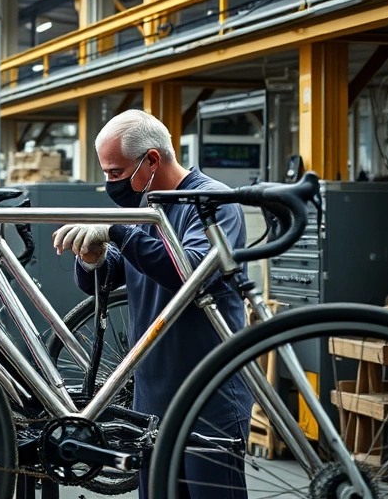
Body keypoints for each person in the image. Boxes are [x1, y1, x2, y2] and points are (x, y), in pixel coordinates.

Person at [53, 109, 252, 499]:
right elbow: (109, 277)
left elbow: (193, 271)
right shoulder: (146, 208)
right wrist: (92, 257)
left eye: (114, 172)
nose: (110, 184)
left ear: (152, 160)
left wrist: (117, 232)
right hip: (152, 398)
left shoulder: (211, 202)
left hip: (209, 393)